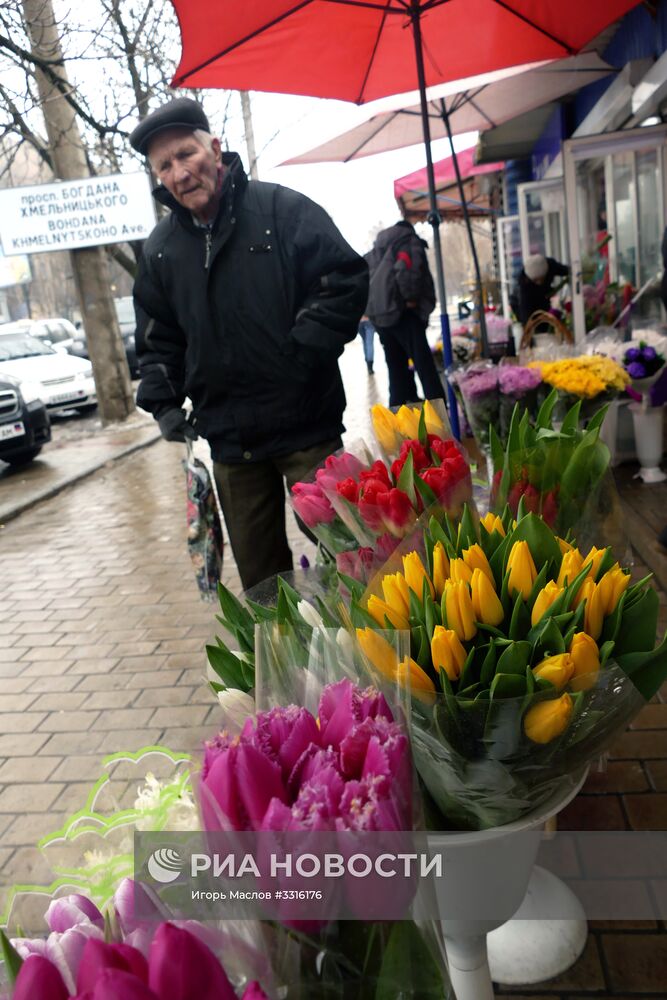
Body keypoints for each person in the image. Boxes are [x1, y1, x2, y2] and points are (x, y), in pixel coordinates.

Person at [129, 98, 368, 591]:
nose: (179, 172)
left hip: (307, 428)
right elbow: (158, 339)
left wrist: (300, 355)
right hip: (231, 444)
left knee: (352, 560)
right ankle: (282, 644)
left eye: (186, 153)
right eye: (164, 166)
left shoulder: (280, 210)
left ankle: (369, 637)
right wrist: (165, 403)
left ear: (215, 149)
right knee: (264, 586)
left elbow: (342, 280)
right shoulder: (161, 251)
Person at [365, 217, 444, 407]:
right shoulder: (408, 241)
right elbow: (409, 271)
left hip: (380, 316)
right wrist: (410, 299)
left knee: (396, 367)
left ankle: (401, 414)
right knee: (424, 365)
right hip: (403, 312)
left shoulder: (378, 248)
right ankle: (440, 413)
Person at [515, 253, 570, 326]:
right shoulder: (524, 284)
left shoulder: (551, 265)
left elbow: (567, 271)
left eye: (542, 278)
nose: (539, 282)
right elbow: (525, 313)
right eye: (535, 280)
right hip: (533, 304)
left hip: (545, 301)